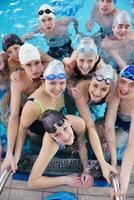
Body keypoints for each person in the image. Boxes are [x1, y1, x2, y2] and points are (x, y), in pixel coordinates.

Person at [13, 60, 67, 166]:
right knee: (37, 145)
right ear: (43, 81)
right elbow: (22, 128)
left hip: (53, 121)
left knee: (62, 146)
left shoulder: (60, 91)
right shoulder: (33, 105)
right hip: (36, 127)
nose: (57, 88)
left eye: (62, 83)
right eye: (52, 83)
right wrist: (17, 155)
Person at [71, 64, 117, 183]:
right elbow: (89, 125)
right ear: (91, 80)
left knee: (102, 132)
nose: (97, 92)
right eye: (95, 85)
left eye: (104, 89)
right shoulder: (80, 89)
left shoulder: (113, 94)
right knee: (80, 130)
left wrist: (113, 164)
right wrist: (101, 163)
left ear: (110, 88)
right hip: (75, 98)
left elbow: (110, 127)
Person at [1, 43, 43, 172]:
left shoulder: (49, 73)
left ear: (41, 61)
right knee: (9, 118)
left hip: (43, 112)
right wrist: (9, 153)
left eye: (36, 63)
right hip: (27, 110)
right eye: (28, 65)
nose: (34, 69)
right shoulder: (18, 80)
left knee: (36, 140)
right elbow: (14, 116)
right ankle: (12, 155)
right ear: (22, 66)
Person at [28, 110, 93, 189]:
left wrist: (86, 170)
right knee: (34, 138)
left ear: (69, 122)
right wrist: (66, 180)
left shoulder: (79, 123)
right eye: (57, 135)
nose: (65, 137)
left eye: (65, 128)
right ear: (52, 136)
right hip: (34, 124)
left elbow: (81, 144)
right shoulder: (50, 144)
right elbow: (32, 182)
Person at [105, 65, 134, 197]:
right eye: (122, 81)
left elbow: (131, 147)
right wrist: (114, 161)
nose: (125, 88)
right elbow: (109, 126)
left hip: (126, 126)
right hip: (116, 118)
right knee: (97, 130)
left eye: (132, 85)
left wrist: (124, 184)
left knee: (117, 141)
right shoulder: (115, 91)